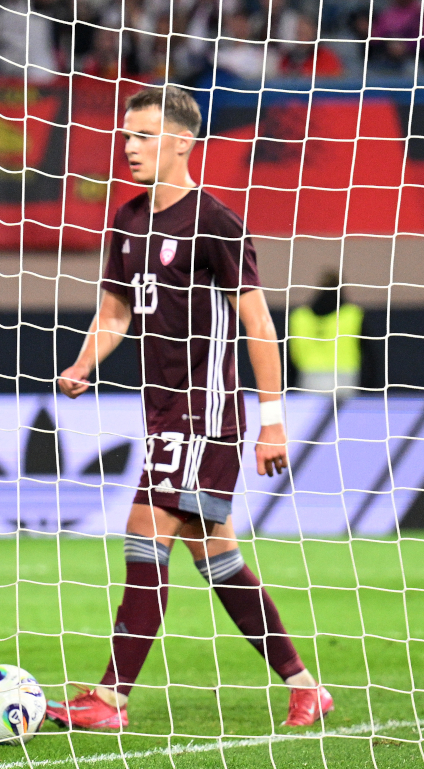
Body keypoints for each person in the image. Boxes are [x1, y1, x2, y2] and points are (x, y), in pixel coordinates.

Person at [44, 86, 333, 732]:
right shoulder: (128, 221)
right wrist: (85, 364)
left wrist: (273, 420)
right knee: (215, 556)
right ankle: (305, 685)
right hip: (162, 412)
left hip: (207, 415)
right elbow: (115, 313)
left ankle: (111, 698)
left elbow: (258, 323)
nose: (129, 148)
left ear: (182, 141)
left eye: (143, 136)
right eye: (125, 137)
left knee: (145, 529)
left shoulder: (216, 223)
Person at [288, 269, 363, 398]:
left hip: (309, 377)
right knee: (340, 418)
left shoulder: (299, 316)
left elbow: (291, 355)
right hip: (345, 377)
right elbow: (369, 354)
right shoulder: (353, 314)